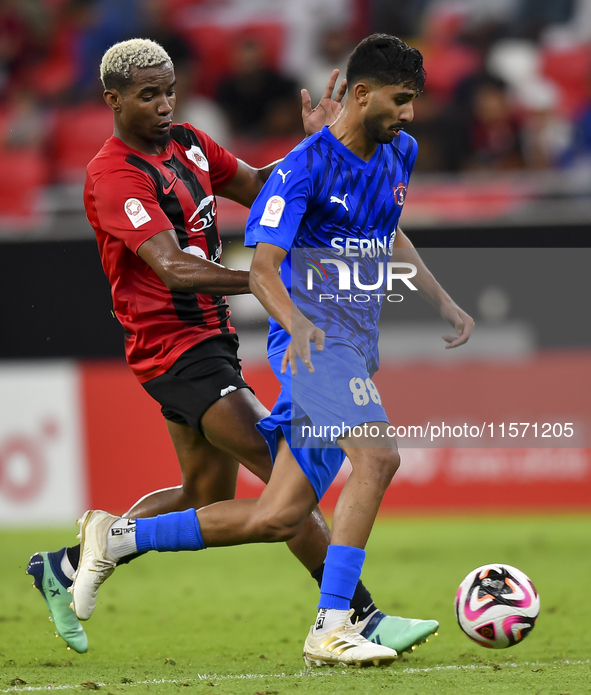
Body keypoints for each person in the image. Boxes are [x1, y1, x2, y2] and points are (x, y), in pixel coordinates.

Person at [67, 34, 473, 667]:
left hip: (255, 336)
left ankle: (115, 538)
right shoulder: (112, 174)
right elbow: (184, 267)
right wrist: (290, 293)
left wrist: (440, 299)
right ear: (113, 100)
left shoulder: (197, 144)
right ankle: (342, 621)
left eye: (170, 91)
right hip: (181, 342)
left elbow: (278, 190)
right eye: (149, 95)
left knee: (277, 513)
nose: (166, 105)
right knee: (376, 456)